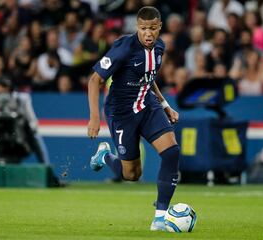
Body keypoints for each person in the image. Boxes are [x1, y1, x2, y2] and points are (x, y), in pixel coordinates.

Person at [87, 6, 180, 231]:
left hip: (148, 106)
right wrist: (94, 118)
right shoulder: (123, 47)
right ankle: (105, 155)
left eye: (152, 29)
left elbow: (149, 77)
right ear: (137, 27)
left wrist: (165, 105)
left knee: (172, 152)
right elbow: (94, 81)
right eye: (143, 28)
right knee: (132, 174)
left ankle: (160, 216)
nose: (148, 33)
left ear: (160, 28)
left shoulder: (159, 47)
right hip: (122, 114)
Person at [0, 77, 50, 165]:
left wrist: (28, 130)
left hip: (18, 135)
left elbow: (33, 121)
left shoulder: (22, 99)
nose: (2, 90)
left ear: (10, 88)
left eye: (5, 87)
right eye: (0, 87)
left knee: (36, 137)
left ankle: (46, 167)